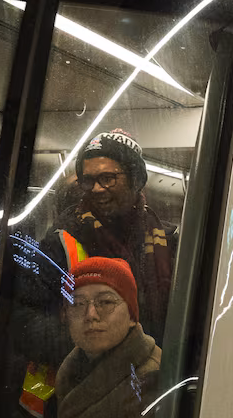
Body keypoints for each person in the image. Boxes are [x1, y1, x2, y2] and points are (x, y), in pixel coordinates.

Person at [26, 257, 160, 418]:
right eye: (77, 304)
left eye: (106, 302)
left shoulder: (147, 377)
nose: (90, 315)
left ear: (132, 314)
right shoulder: (72, 370)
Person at [51, 129, 175, 343]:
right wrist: (93, 345)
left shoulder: (170, 242)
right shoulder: (61, 240)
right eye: (88, 180)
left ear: (136, 180)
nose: (97, 189)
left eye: (107, 178)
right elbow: (29, 319)